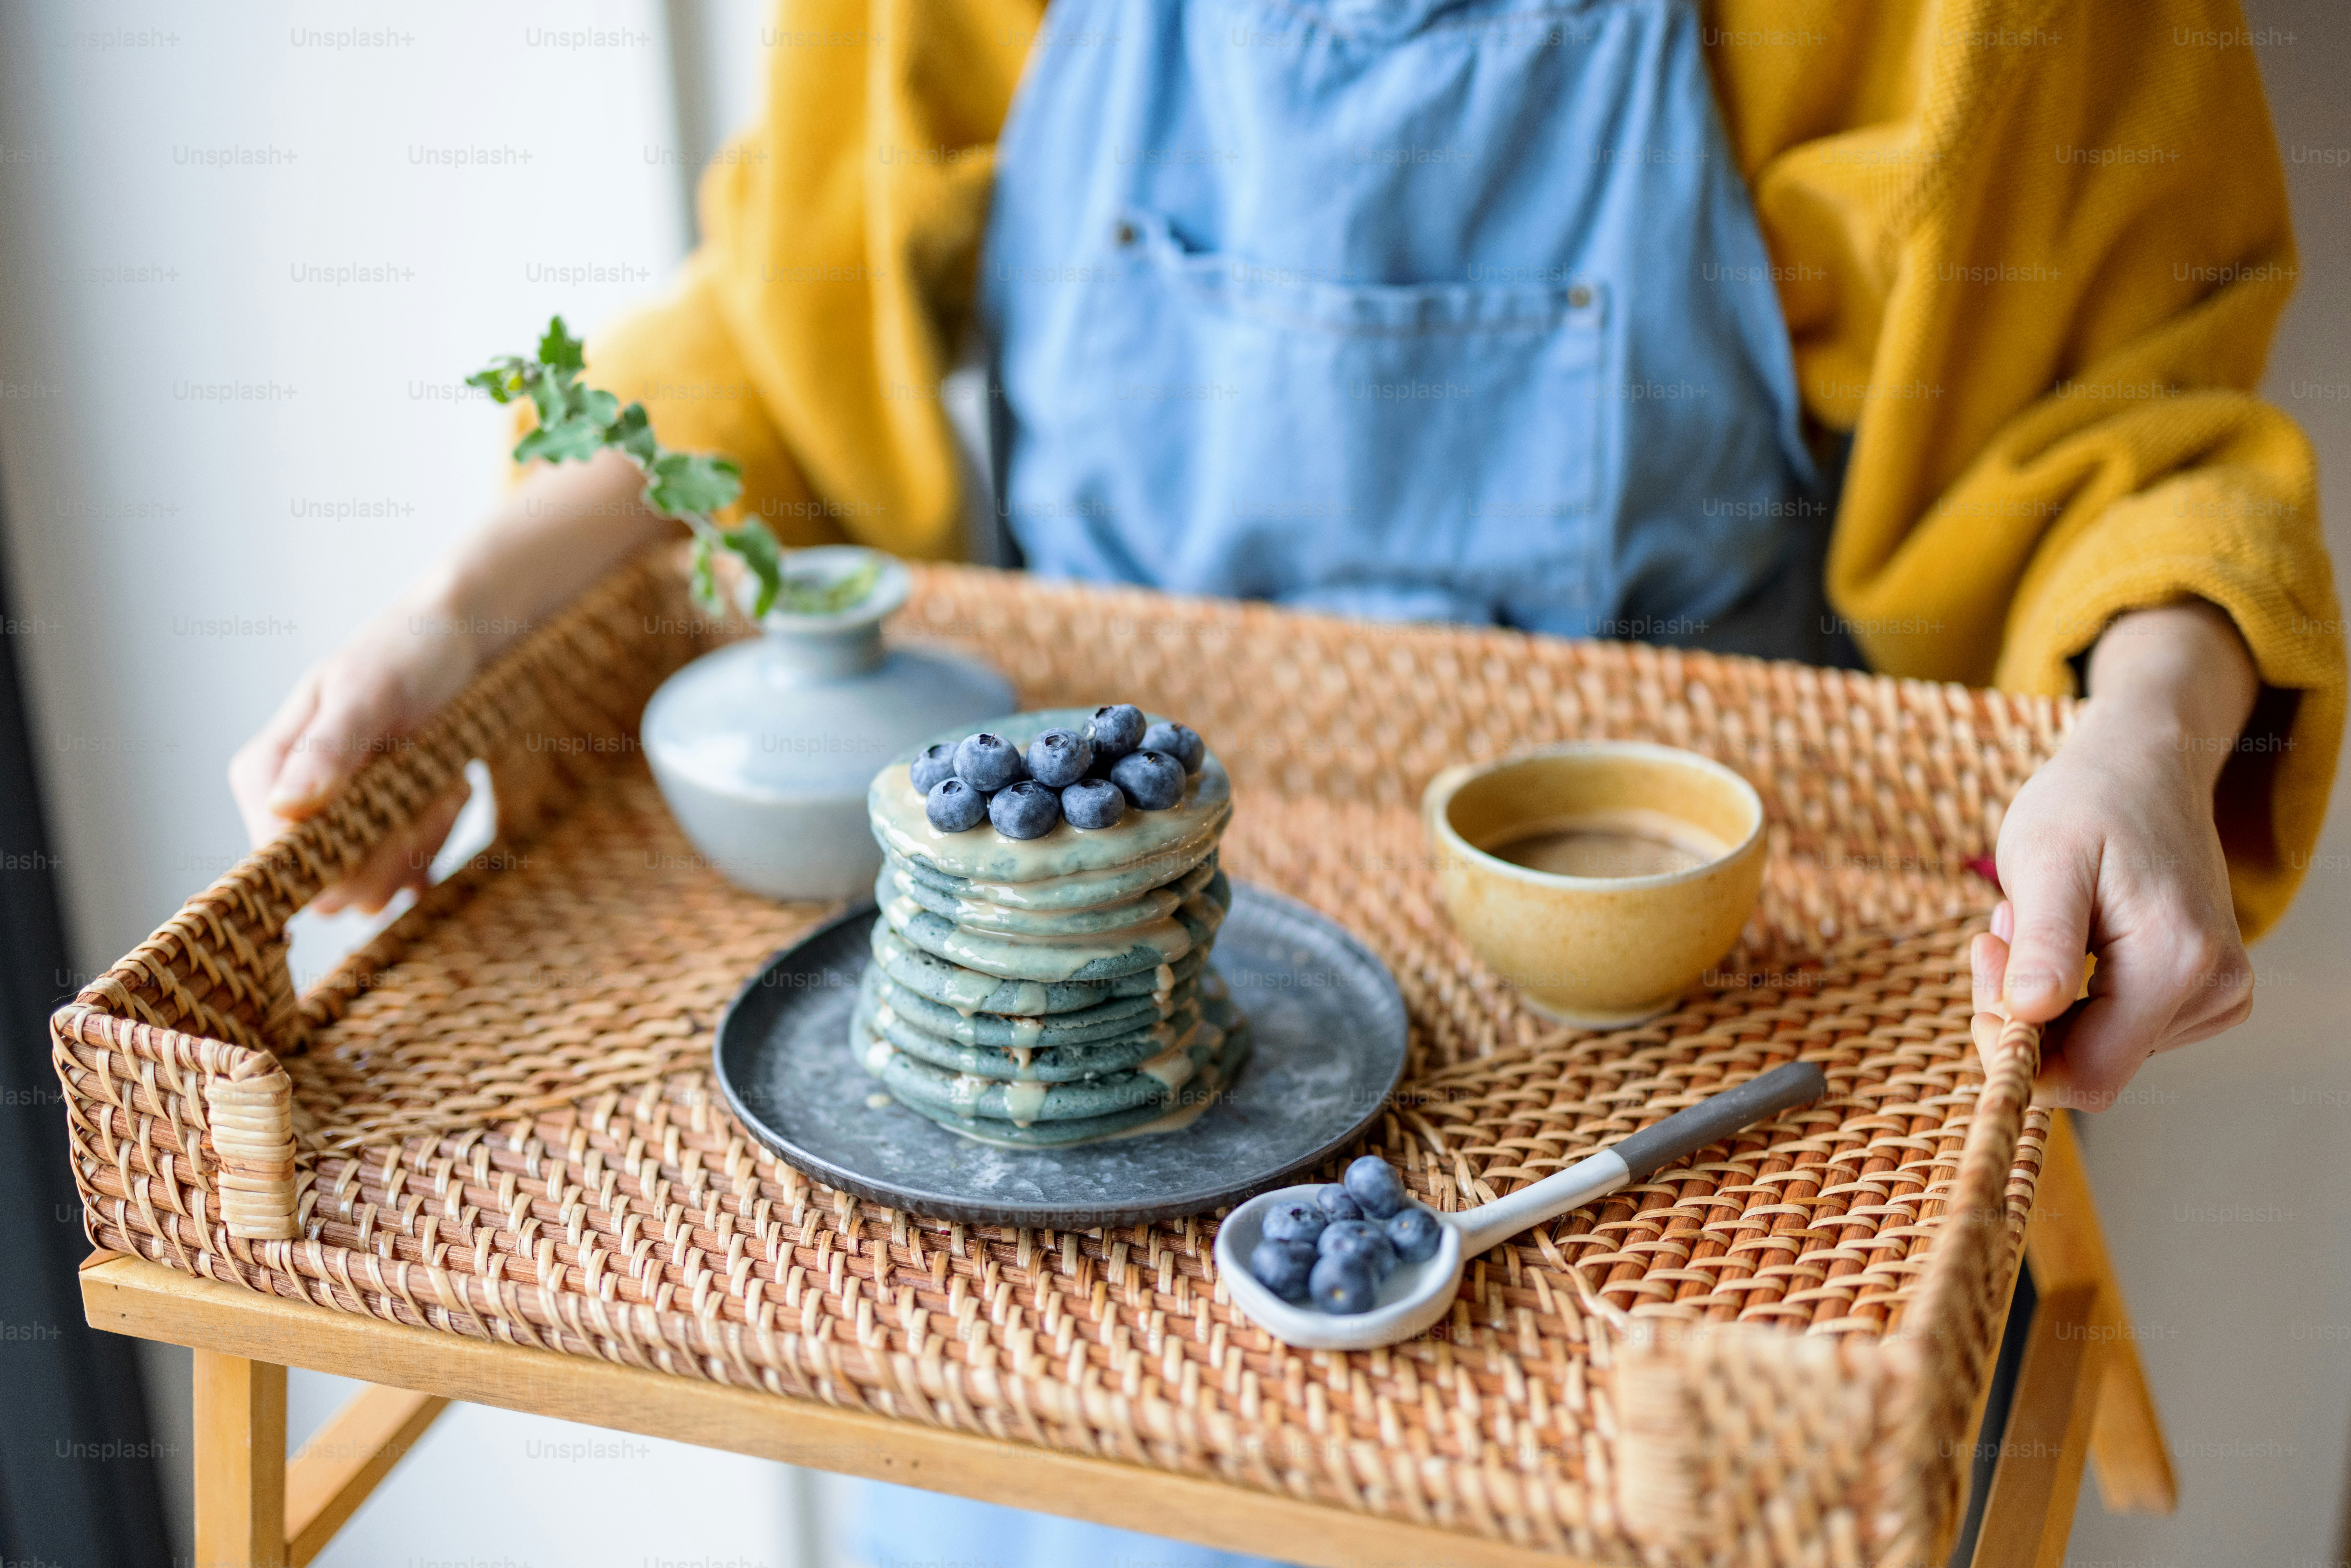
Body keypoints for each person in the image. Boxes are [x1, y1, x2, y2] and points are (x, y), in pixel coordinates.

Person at [232, 2, 2340, 1565]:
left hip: (1653, 1089)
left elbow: (2124, 429)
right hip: (1074, 1187)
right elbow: (765, 361)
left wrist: (2146, 735)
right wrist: (461, 608)